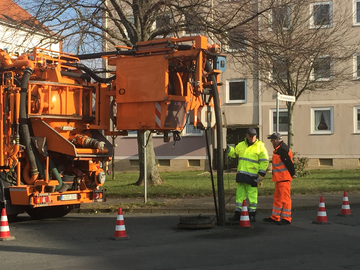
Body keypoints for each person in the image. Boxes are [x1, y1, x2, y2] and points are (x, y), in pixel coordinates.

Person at [227, 128, 269, 222]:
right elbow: (234, 153)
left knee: (252, 195)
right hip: (242, 175)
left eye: (254, 136)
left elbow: (264, 161)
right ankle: (238, 213)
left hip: (253, 176)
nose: (253, 138)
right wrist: (228, 149)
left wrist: (261, 174)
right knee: (239, 196)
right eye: (251, 136)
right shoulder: (241, 145)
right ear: (247, 136)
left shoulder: (260, 147)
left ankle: (252, 214)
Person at [263, 132, 296, 225]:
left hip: (283, 178)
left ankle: (286, 218)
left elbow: (289, 164)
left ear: (276, 141)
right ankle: (275, 217)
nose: (272, 143)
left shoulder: (282, 150)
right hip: (279, 178)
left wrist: (293, 173)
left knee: (285, 199)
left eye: (272, 141)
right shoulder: (279, 149)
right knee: (277, 198)